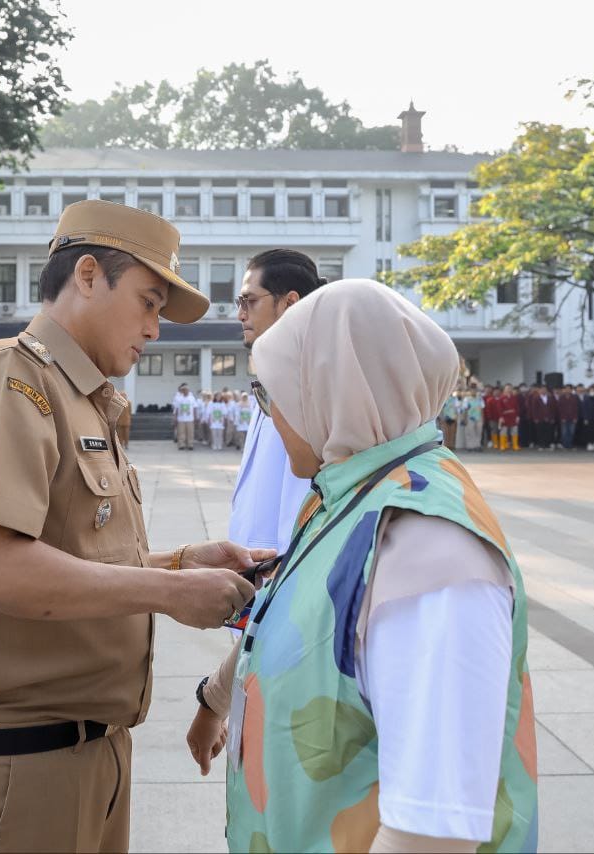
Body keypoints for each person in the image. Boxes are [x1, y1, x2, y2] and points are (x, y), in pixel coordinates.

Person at [0, 199, 267, 853]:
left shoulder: (82, 400)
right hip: (22, 769)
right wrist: (170, 594)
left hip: (88, 754)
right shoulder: (10, 383)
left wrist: (184, 563)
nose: (155, 329)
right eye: (149, 302)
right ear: (89, 275)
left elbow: (66, 560)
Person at [185, 279, 537, 853]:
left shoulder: (429, 546)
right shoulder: (349, 494)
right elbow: (304, 618)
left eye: (271, 394)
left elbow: (430, 831)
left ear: (331, 389)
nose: (269, 417)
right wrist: (214, 700)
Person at [230, 248, 328, 558]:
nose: (240, 314)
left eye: (250, 301)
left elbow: (305, 495)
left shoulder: (316, 385)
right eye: (239, 303)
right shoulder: (272, 374)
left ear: (290, 303)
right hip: (253, 568)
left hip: (282, 568)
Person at [172, 383, 196, 450]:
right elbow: (176, 408)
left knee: (190, 432)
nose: (185, 391)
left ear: (188, 390)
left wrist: (195, 417)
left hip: (190, 418)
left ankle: (190, 445)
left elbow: (194, 408)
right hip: (181, 418)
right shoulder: (178, 398)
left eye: (186, 390)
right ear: (182, 391)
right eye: (183, 390)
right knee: (181, 432)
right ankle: (181, 445)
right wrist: (175, 417)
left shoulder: (192, 398)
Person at [557, 384, 580, 450]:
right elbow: (559, 409)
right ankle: (564, 445)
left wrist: (575, 417)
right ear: (564, 390)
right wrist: (562, 417)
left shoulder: (575, 397)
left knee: (571, 432)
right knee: (564, 432)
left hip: (572, 418)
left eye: (569, 389)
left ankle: (570, 445)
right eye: (566, 389)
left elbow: (576, 408)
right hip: (564, 418)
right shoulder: (561, 397)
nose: (568, 390)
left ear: (571, 390)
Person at [498, 384, 520, 451]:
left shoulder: (514, 397)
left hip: (513, 417)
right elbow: (499, 408)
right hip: (505, 417)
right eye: (507, 388)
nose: (508, 390)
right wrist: (501, 417)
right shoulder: (501, 398)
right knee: (503, 431)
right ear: (504, 389)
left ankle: (515, 445)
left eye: (510, 388)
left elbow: (517, 408)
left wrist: (517, 416)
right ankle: (502, 445)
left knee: (515, 431)